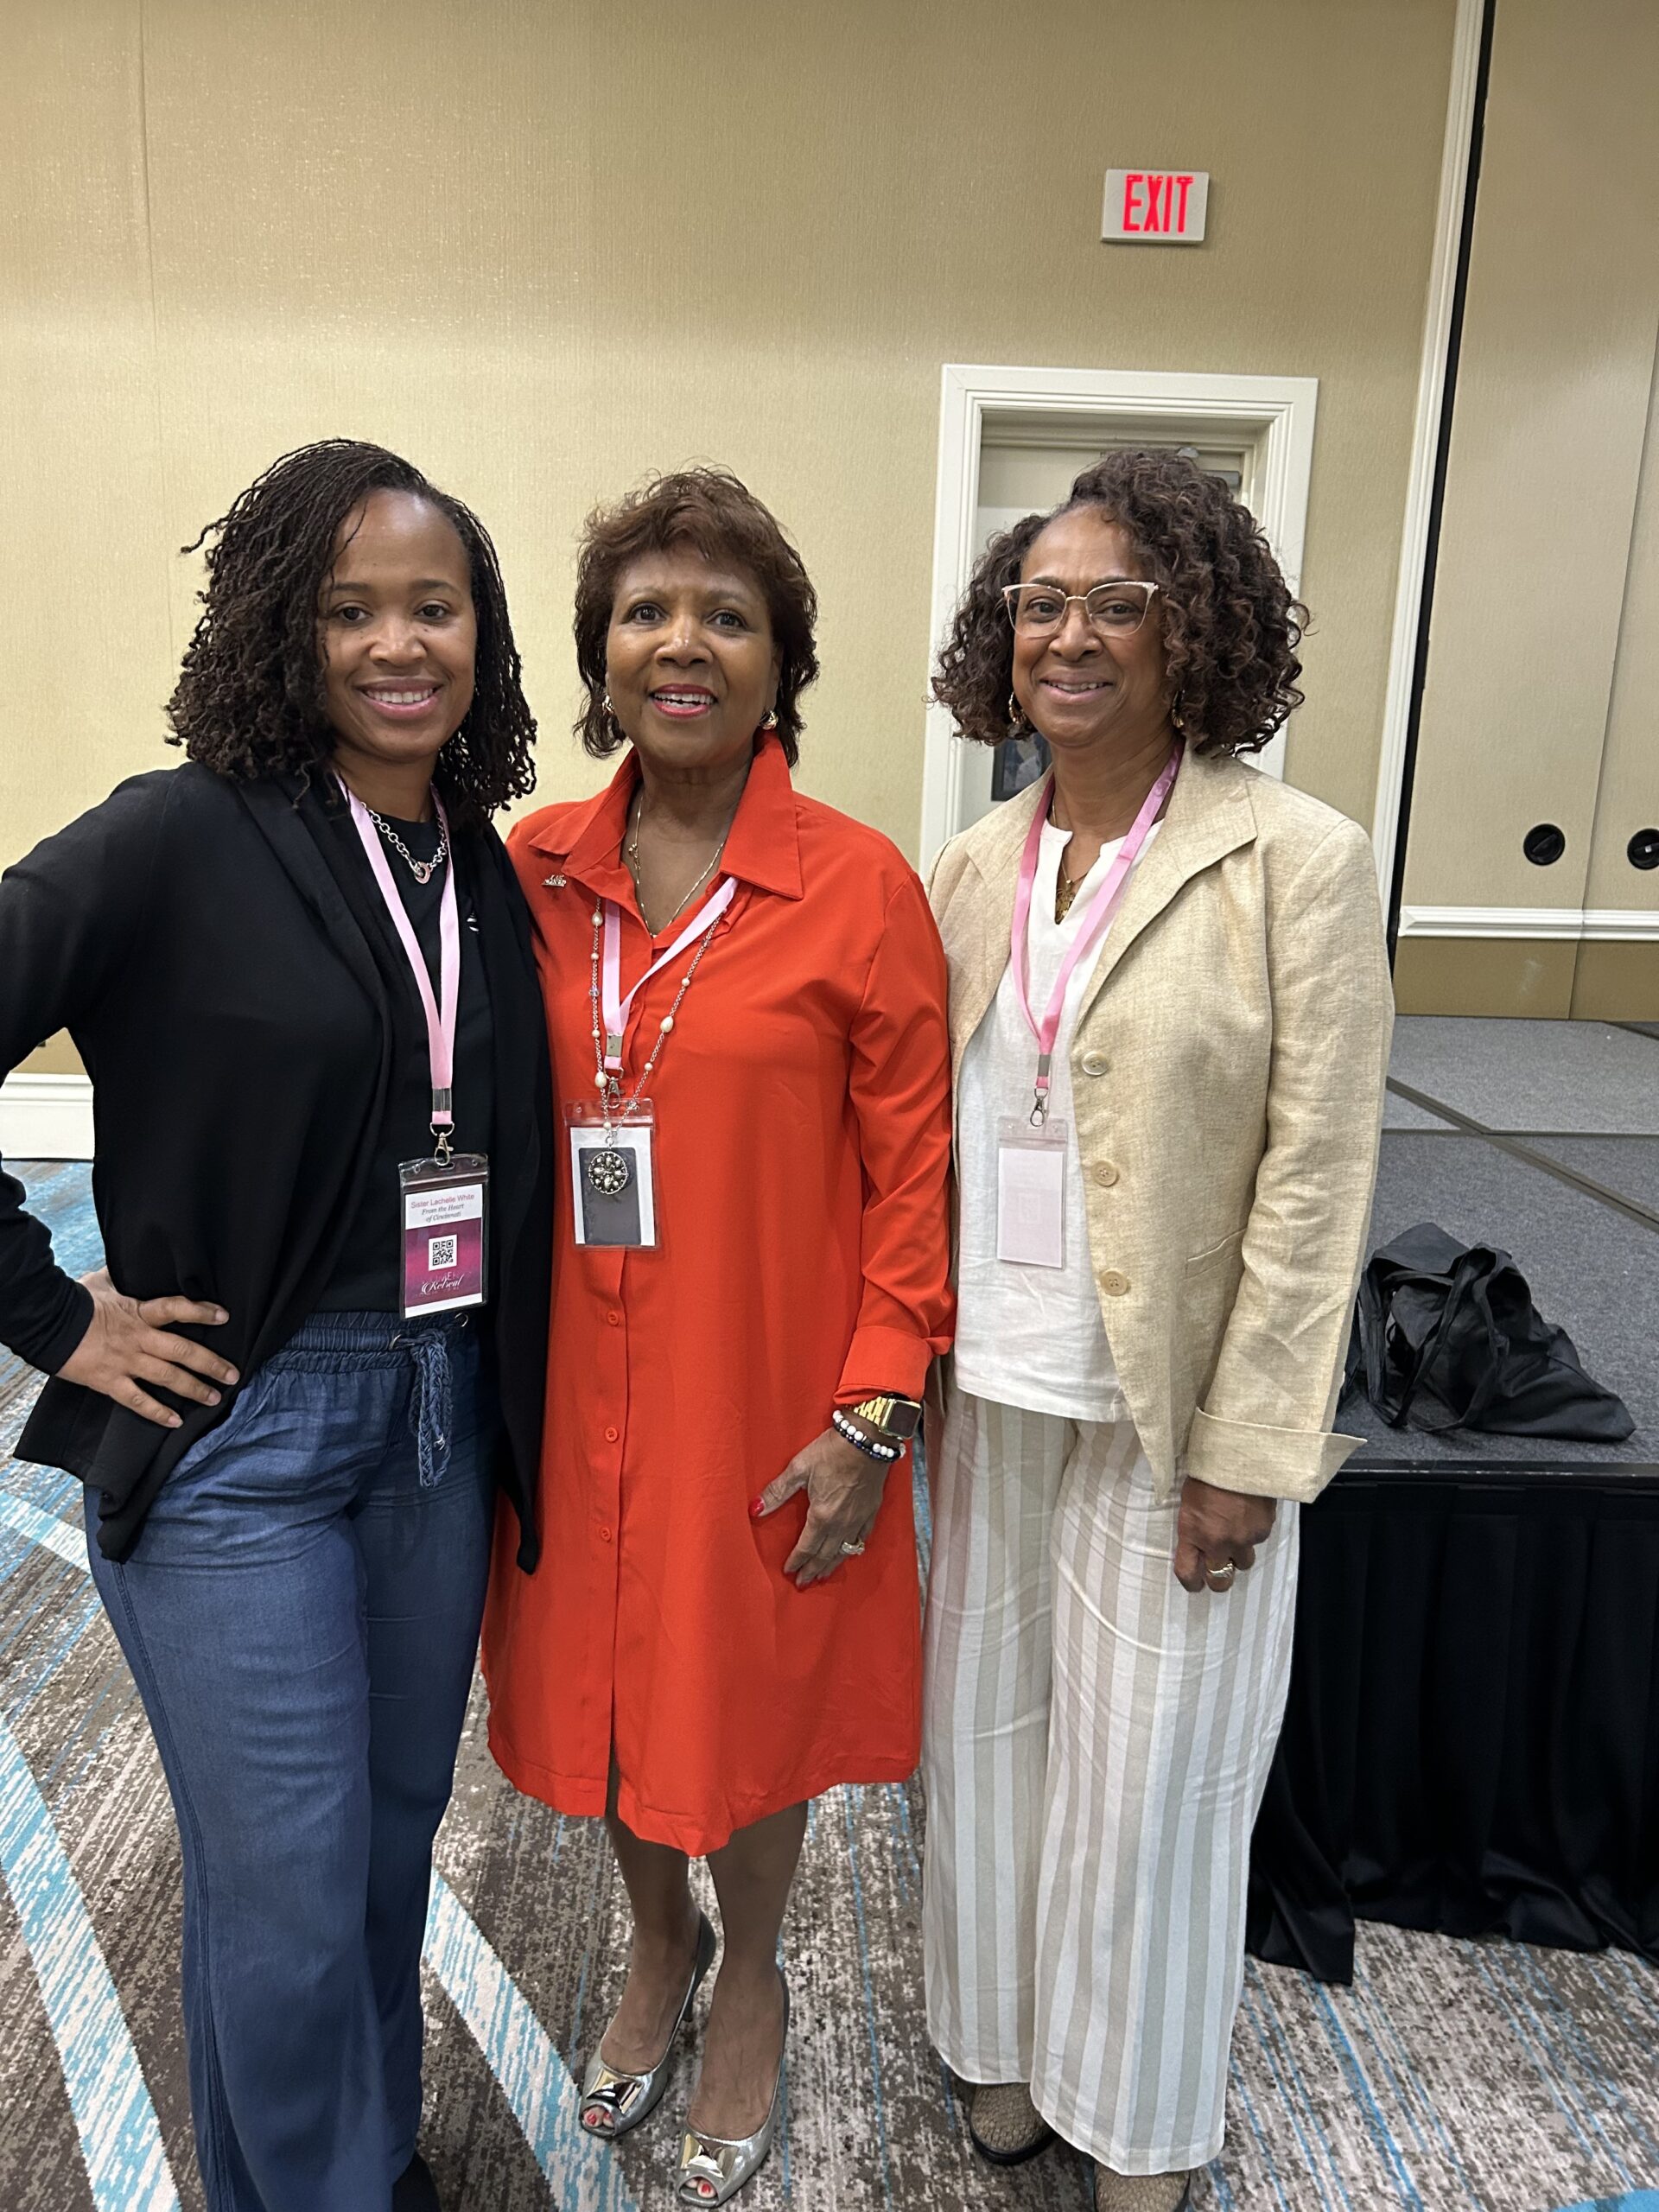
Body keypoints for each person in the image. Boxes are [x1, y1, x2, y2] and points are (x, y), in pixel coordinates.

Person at [0, 441, 552, 2212]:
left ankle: (345, 2167)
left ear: (481, 634)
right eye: (348, 609)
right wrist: (48, 1312)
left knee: (379, 1859)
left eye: (433, 606)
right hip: (245, 1427)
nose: (398, 644)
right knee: (294, 1880)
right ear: (280, 629)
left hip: (442, 1417)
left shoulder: (477, 860)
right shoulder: (180, 832)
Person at [920, 449, 1393, 2212]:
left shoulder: (1298, 861)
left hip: (1172, 1407)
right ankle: (1003, 2045)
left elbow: (1318, 1181)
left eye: (1116, 601)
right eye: (1040, 601)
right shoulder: (971, 864)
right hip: (989, 1388)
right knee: (986, 1751)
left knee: (1153, 1789)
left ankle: (1136, 2122)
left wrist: (1250, 1447)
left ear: (1194, 626)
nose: (1070, 634)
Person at [482, 467, 953, 2206]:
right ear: (600, 654)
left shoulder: (859, 889)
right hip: (568, 1376)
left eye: (726, 617)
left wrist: (875, 1409)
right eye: (645, 613)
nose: (682, 644)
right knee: (608, 1684)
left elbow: (916, 1179)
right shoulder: (530, 869)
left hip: (764, 1380)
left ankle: (749, 1976)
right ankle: (656, 1940)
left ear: (779, 665)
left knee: (748, 1697)